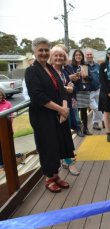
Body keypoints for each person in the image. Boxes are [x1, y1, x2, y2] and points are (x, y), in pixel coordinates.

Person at [25, 37, 74, 193]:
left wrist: (65, 108)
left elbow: (61, 88)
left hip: (58, 114)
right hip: (43, 117)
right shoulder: (32, 71)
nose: (44, 53)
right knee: (48, 147)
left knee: (58, 145)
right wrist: (60, 109)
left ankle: (56, 175)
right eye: (41, 50)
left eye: (46, 50)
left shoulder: (51, 68)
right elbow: (38, 96)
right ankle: (49, 178)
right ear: (34, 51)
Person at [48, 46, 80, 176]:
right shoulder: (48, 72)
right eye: (56, 55)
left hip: (66, 107)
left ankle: (68, 161)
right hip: (54, 109)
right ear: (51, 57)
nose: (58, 58)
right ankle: (64, 163)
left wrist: (71, 87)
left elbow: (70, 87)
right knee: (57, 137)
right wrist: (64, 89)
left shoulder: (64, 72)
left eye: (61, 56)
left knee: (66, 134)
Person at [71, 49, 92, 136]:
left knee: (84, 111)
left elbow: (91, 79)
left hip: (85, 91)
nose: (78, 56)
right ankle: (78, 129)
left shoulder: (85, 66)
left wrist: (86, 76)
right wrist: (76, 77)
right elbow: (69, 79)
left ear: (82, 56)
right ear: (74, 57)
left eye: (80, 55)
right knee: (76, 111)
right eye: (76, 55)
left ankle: (85, 129)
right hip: (76, 91)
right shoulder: (71, 67)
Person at [85, 48, 103, 131]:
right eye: (88, 54)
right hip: (89, 91)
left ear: (93, 55)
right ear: (85, 56)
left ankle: (95, 123)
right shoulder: (84, 66)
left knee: (98, 106)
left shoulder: (97, 65)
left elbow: (101, 77)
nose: (89, 56)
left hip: (98, 89)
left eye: (90, 54)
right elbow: (84, 79)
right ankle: (104, 119)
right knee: (95, 107)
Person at [0, 88, 13, 170]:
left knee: (8, 148)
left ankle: (9, 164)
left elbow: (11, 117)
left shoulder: (8, 104)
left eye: (0, 95)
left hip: (6, 130)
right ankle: (2, 164)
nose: (0, 97)